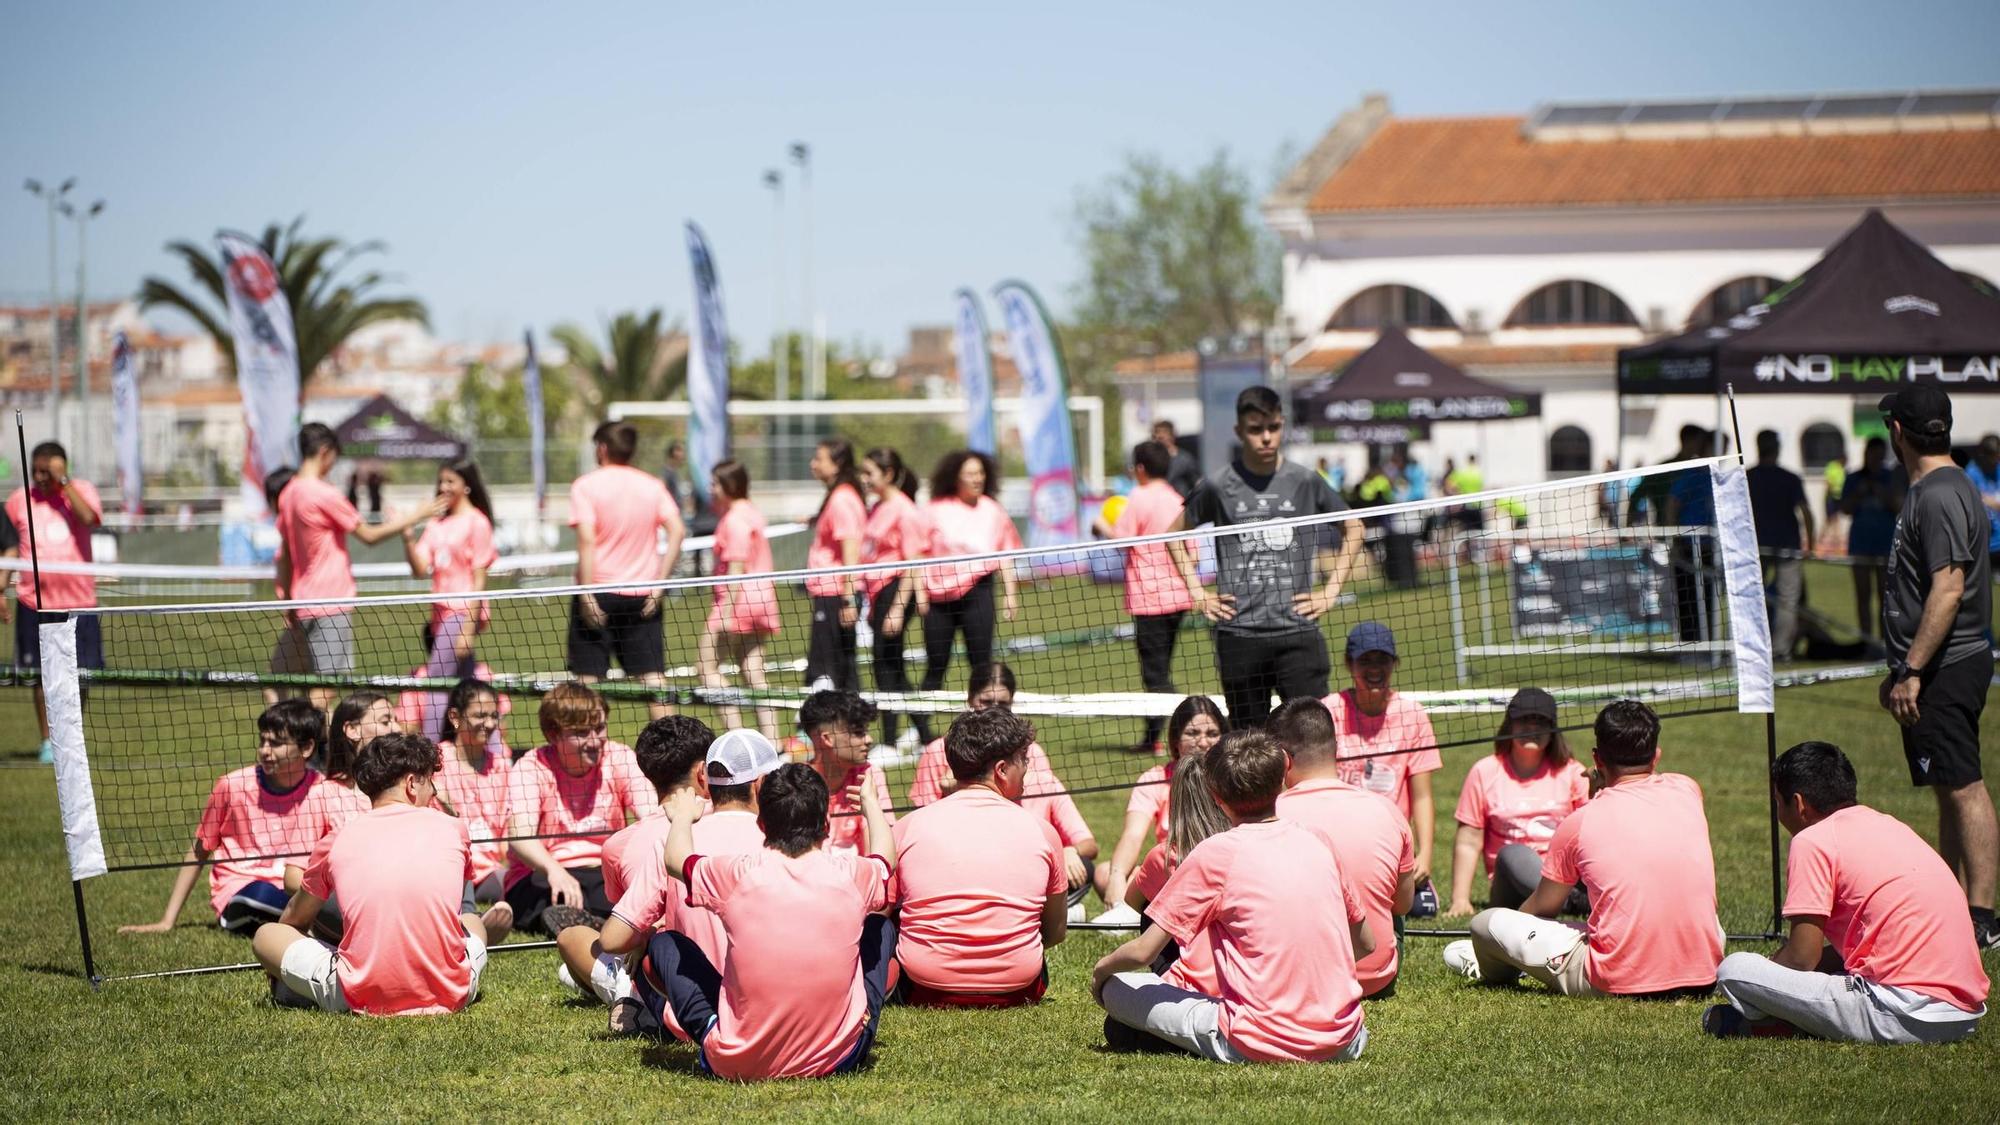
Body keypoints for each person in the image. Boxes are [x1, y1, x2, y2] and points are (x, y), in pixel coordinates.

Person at [1093, 730, 1372, 1064]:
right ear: (1284, 772)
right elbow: (1365, 944)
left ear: (1215, 794)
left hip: (1253, 1040)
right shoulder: (1318, 839)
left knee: (1117, 986)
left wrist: (1100, 972)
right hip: (1347, 1040)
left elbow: (1143, 951)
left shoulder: (1215, 852)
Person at [1706, 741, 1988, 1043]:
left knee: (1734, 970)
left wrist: (1769, 974)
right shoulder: (1891, 825)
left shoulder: (1812, 840)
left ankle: (1779, 1022)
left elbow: (1802, 958)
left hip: (1900, 1012)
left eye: (1778, 802)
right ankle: (1790, 1020)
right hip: (1964, 1015)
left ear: (1798, 804)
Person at [1443, 700, 1723, 999]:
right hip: (1703, 973)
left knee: (1486, 923)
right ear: (1656, 755)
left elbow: (1543, 908)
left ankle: (1499, 966)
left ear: (1597, 759)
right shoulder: (1688, 790)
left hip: (1618, 981)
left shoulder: (1580, 822)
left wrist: (1509, 940)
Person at [648, 763, 898, 1081]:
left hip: (738, 1064)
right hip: (838, 1059)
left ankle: (712, 1028)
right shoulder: (852, 874)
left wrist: (683, 816)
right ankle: (848, 1023)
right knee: (879, 928)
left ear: (762, 824)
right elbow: (885, 860)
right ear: (826, 824)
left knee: (665, 943)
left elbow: (675, 860)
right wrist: (871, 804)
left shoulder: (736, 874)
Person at [1875, 387, 1996, 947]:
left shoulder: (1941, 492)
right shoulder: (1936, 487)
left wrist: (1912, 670)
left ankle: (1983, 917)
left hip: (1947, 664)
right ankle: (1953, 902)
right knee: (1948, 784)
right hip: (1934, 664)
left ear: (1897, 431)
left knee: (1964, 785)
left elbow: (1947, 590)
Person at [252, 733, 490, 1016]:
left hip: (359, 996)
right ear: (411, 784)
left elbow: (296, 918)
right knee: (472, 921)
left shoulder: (337, 839)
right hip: (452, 993)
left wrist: (285, 966)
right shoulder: (454, 828)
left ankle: (298, 985)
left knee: (266, 934)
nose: (435, 793)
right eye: (430, 781)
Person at [1174, 386, 1361, 728]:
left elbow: (1355, 528)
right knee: (1249, 741)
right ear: (1239, 431)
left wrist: (1331, 591)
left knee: (1310, 734)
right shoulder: (1218, 484)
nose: (1265, 437)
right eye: (1255, 429)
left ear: (1282, 425)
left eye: (1273, 427)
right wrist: (1198, 593)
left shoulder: (1305, 480)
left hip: (1298, 631)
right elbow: (1173, 534)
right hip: (1239, 634)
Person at [120, 699, 348, 936]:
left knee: (322, 898)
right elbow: (200, 851)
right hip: (242, 890)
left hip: (296, 887)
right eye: (262, 741)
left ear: (307, 748)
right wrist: (167, 920)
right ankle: (319, 923)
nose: (265, 750)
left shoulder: (324, 789)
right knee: (260, 895)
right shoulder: (232, 785)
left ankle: (317, 921)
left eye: (276, 743)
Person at [892, 707, 1068, 1007]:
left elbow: (882, 912)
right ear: (1002, 770)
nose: (1027, 769)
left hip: (922, 987)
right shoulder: (1043, 832)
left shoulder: (907, 826)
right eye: (1023, 760)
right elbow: (1055, 932)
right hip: (1018, 988)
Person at [622, 728, 786, 1039]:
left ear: (706, 780)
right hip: (782, 1009)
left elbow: (614, 938)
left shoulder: (663, 843)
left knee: (658, 946)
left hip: (694, 1012)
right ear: (762, 783)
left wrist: (644, 933)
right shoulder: (788, 843)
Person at [556, 715, 714, 1032]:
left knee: (571, 939)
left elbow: (625, 929)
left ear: (648, 774)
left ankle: (627, 994)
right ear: (703, 770)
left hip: (659, 968)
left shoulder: (619, 845)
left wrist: (645, 933)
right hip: (724, 960)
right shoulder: (734, 820)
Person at [273, 423, 443, 713]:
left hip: (302, 604)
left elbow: (286, 556)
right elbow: (369, 535)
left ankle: (309, 739)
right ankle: (300, 735)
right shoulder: (323, 494)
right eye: (334, 458)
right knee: (325, 691)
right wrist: (417, 515)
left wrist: (289, 603)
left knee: (306, 686)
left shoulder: (288, 493)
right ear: (324, 452)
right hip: (331, 603)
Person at [906, 664, 1100, 913]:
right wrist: (952, 791)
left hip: (1024, 862)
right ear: (970, 699)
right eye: (986, 701)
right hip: (960, 861)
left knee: (1080, 866)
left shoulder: (1034, 757)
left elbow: (1087, 842)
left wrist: (1068, 850)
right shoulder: (938, 752)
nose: (994, 710)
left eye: (1003, 703)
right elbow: (921, 831)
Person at [1268, 698, 1416, 999]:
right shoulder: (1388, 810)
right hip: (1375, 979)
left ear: (1282, 759)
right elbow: (1402, 905)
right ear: (1335, 748)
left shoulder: (1269, 816)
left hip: (1297, 980)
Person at [501, 682, 651, 934]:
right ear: (553, 734)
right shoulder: (531, 767)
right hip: (543, 872)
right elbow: (520, 836)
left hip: (604, 871)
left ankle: (585, 921)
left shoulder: (620, 757)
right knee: (544, 896)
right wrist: (554, 870)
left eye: (599, 728)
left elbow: (651, 815)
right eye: (581, 733)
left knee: (632, 888)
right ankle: (602, 920)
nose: (594, 741)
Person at [568, 420, 686, 720]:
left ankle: (583, 744)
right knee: (653, 679)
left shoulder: (585, 486)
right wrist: (659, 586)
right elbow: (677, 530)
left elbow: (587, 541)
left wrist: (587, 595)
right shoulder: (652, 485)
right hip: (642, 595)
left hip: (599, 592)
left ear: (602, 448)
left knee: (588, 683)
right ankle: (674, 744)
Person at [1324, 622, 1441, 913]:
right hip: (1338, 836)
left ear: (1394, 663)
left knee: (1421, 909)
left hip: (1389, 842)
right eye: (1365, 660)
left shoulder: (1412, 714)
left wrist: (1425, 855)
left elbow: (1423, 796)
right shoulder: (1327, 711)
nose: (1374, 668)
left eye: (1382, 660)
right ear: (1349, 664)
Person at [1446, 688, 1589, 915]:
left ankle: (1569, 897)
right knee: (1512, 853)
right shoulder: (1485, 771)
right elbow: (1468, 841)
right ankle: (1571, 901)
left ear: (1553, 729)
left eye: (1540, 722)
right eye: (1523, 721)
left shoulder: (1573, 772)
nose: (1532, 729)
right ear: (1510, 725)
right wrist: (1460, 899)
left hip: (1563, 875)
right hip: (1512, 884)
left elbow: (1591, 835)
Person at [3, 441, 102, 763]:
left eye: (47, 471)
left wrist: (65, 483)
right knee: (40, 675)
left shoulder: (82, 491)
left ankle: (70, 737)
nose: (40, 477)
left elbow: (89, 518)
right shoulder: (19, 501)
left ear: (61, 467)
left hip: (79, 603)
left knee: (81, 674)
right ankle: (48, 741)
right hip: (34, 603)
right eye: (36, 471)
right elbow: (8, 546)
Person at [1091, 440, 1192, 754]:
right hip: (1179, 596)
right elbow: (1194, 553)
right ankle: (1153, 738)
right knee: (1160, 670)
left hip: (1150, 598)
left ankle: (1182, 727)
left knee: (1155, 674)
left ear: (1140, 469)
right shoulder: (1178, 498)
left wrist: (1101, 525)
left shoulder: (1138, 497)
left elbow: (1122, 539)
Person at [401, 458, 497, 741]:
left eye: (450, 481)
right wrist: (407, 537)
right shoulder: (437, 524)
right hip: (440, 615)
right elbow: (420, 568)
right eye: (441, 481)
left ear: (466, 485)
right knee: (468, 687)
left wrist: (468, 626)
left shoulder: (477, 522)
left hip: (462, 612)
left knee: (436, 683)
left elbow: (479, 579)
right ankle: (491, 750)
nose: (443, 487)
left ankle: (429, 749)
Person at [1102, 695, 1228, 911]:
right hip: (1173, 869)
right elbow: (1133, 835)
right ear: (1175, 740)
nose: (1203, 742)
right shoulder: (1156, 778)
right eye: (1192, 733)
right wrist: (1116, 876)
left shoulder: (1232, 777)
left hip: (1221, 869)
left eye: (1212, 734)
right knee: (1105, 872)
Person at [920, 449, 1020, 696]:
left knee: (981, 663)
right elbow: (919, 553)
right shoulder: (934, 509)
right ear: (955, 477)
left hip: (978, 591)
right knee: (936, 664)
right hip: (938, 599)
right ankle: (921, 719)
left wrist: (1010, 594)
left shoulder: (993, 510)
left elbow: (1004, 553)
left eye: (980, 473)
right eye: (970, 474)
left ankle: (987, 714)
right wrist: (920, 592)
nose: (977, 479)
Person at [697, 460, 781, 741]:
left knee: (706, 668)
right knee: (754, 672)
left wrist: (725, 612)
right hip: (763, 599)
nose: (711, 489)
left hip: (738, 601)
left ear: (729, 485)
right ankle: (773, 742)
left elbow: (736, 566)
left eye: (715, 484)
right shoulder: (752, 512)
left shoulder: (734, 520)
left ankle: (739, 739)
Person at [859, 446, 932, 754]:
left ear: (888, 474)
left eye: (869, 473)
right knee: (890, 668)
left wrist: (898, 608)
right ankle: (926, 737)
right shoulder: (877, 507)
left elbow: (914, 563)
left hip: (896, 590)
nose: (863, 478)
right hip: (877, 593)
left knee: (887, 666)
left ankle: (890, 741)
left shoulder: (905, 510)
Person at [433, 679, 514, 921]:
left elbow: (508, 830)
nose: (489, 724)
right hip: (450, 867)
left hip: (490, 870)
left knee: (522, 883)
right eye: (480, 716)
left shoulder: (501, 766)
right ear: (455, 717)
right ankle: (475, 921)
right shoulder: (434, 762)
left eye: (493, 716)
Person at [1746, 430, 1817, 659]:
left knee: (1752, 596)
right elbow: (1806, 512)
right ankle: (1780, 649)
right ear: (1777, 448)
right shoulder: (1790, 478)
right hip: (1787, 545)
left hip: (1756, 545)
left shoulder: (1748, 477)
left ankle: (1752, 645)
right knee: (1787, 600)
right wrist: (1811, 544)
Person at [798, 689, 896, 854]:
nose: (869, 739)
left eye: (866, 731)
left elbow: (880, 853)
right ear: (827, 738)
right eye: (858, 733)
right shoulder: (795, 784)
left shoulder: (869, 775)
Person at [804, 438, 867, 692]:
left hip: (836, 594)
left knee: (826, 670)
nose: (813, 464)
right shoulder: (839, 497)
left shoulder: (842, 499)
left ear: (837, 464)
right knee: (842, 669)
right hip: (832, 593)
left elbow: (850, 549)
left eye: (819, 459)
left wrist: (848, 599)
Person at [1843, 435, 1904, 641]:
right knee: (1863, 595)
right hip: (1860, 544)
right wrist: (1859, 492)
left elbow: (1899, 507)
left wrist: (1882, 493)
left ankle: (1884, 641)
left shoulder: (1891, 478)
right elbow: (1845, 509)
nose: (1875, 460)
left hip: (1884, 545)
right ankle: (1866, 640)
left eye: (1880, 456)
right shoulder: (1854, 478)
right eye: (1872, 455)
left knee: (1885, 596)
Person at [1967, 433, 2000, 575]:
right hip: (1985, 544)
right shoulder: (1971, 473)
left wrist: (1989, 500)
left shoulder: (1998, 468)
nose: (1997, 461)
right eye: (1994, 457)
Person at [1152, 419, 1201, 499]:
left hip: (1179, 502)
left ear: (1172, 436)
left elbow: (1197, 483)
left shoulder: (1185, 459)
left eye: (1162, 436)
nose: (1158, 438)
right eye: (1155, 436)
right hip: (1156, 502)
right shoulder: (1151, 459)